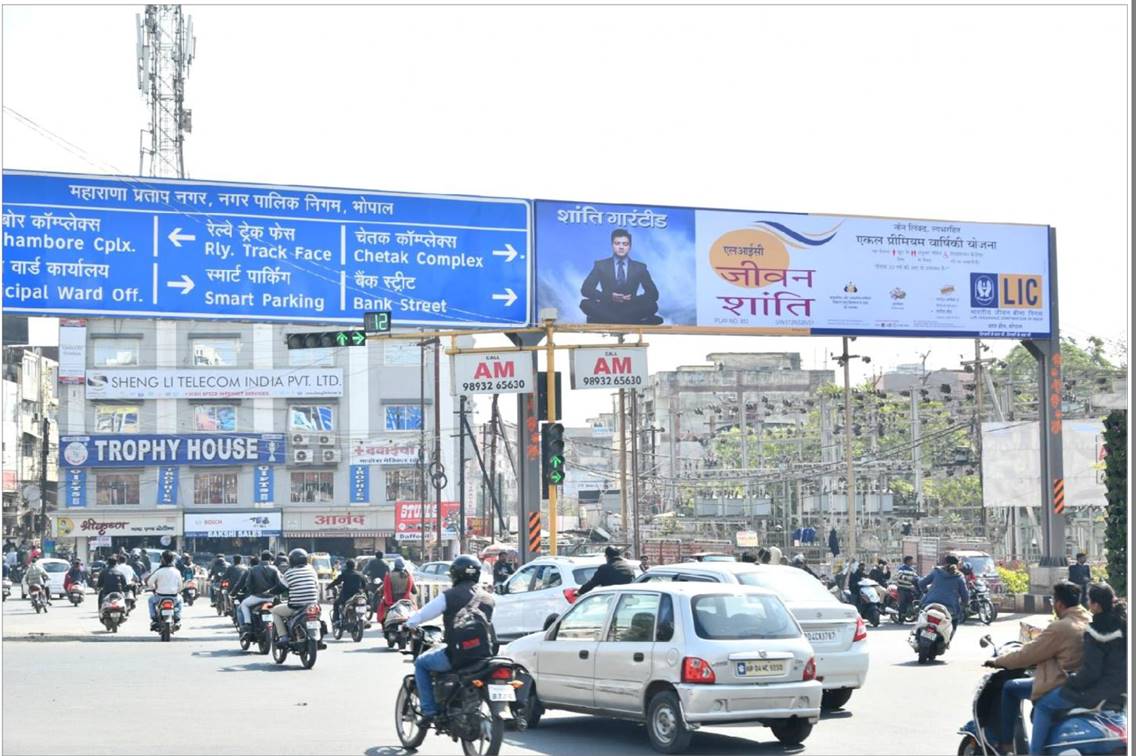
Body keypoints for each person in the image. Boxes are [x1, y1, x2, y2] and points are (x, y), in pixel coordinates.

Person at [983, 581, 1091, 755]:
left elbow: (1027, 654)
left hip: (1062, 685)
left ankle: (1009, 746)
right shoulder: (1088, 619)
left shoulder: (1061, 627)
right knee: (1013, 687)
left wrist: (997, 661)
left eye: (1053, 601)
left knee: (1016, 692)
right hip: (1086, 684)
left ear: (1060, 604)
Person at [1028, 583, 1127, 754]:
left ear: (1096, 605)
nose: (1088, 604)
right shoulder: (1124, 624)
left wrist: (1072, 680)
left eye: (1089, 600)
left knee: (1043, 705)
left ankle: (1035, 752)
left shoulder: (1096, 630)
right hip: (1121, 691)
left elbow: (1091, 671)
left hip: (1097, 692)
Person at [405, 555, 495, 721]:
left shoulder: (449, 596)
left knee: (421, 663)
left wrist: (409, 623)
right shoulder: (488, 598)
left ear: (456, 575)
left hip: (457, 656)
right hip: (484, 655)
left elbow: (424, 614)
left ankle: (429, 711)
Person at [578, 228, 663, 325]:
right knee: (585, 304)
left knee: (652, 306)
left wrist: (633, 299)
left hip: (631, 308)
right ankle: (634, 322)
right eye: (617, 243)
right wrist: (610, 297)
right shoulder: (600, 265)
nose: (621, 247)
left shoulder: (640, 267)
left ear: (630, 246)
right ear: (612, 245)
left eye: (625, 244)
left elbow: (653, 294)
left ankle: (602, 320)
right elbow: (586, 289)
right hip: (607, 307)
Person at [270, 548, 325, 649]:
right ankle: (320, 639)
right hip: (313, 605)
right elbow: (316, 586)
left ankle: (283, 636)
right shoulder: (312, 570)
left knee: (275, 611)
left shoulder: (289, 573)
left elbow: (281, 587)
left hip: (296, 607)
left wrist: (270, 592)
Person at [237, 550, 282, 637]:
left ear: (261, 558)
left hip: (256, 597)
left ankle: (247, 624)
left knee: (244, 605)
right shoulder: (275, 569)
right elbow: (279, 583)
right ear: (270, 559)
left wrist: (251, 592)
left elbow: (248, 584)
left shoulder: (253, 569)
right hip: (271, 598)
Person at [917, 555, 969, 630]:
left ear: (944, 562)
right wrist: (965, 604)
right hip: (950, 607)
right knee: (954, 621)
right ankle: (947, 640)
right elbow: (965, 595)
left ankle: (916, 636)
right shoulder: (959, 577)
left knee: (921, 617)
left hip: (929, 604)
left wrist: (926, 591)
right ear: (957, 564)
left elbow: (921, 583)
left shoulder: (936, 572)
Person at [145, 550, 184, 629]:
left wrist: (154, 588)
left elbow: (149, 583)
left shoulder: (159, 571)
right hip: (174, 597)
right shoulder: (177, 572)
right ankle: (177, 619)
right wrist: (177, 591)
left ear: (162, 559)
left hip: (160, 597)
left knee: (150, 600)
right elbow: (181, 586)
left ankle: (154, 619)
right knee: (181, 600)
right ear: (172, 560)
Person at [328, 559, 367, 627]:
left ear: (346, 566)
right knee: (363, 605)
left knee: (336, 603)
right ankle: (365, 620)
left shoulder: (344, 573)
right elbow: (364, 586)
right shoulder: (360, 574)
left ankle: (336, 620)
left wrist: (329, 586)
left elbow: (337, 581)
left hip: (346, 596)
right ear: (354, 566)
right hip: (357, 595)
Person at [380, 558, 415, 623]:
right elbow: (414, 591)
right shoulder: (408, 575)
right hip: (406, 600)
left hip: (391, 600)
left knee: (382, 606)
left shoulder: (389, 575)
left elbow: (385, 589)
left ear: (395, 565)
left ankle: (384, 623)